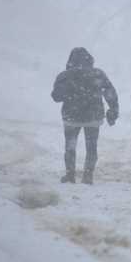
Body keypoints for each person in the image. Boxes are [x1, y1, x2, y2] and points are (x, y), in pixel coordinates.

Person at [51, 47, 118, 185]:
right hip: (93, 117)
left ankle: (70, 176)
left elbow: (56, 97)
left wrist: (67, 88)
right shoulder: (98, 74)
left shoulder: (65, 75)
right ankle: (88, 176)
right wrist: (113, 110)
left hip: (71, 117)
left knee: (70, 147)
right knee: (91, 147)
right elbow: (110, 92)